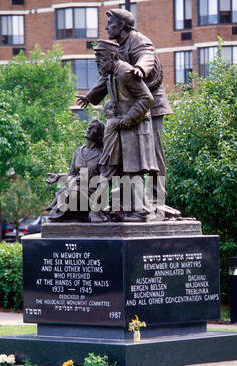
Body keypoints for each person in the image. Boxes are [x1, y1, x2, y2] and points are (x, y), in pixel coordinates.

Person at [76, 9, 179, 219]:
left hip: (150, 106)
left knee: (153, 156)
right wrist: (90, 96)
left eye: (110, 24)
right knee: (128, 159)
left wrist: (140, 68)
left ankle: (156, 201)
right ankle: (127, 201)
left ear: (122, 25)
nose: (106, 28)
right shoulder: (115, 49)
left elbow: (147, 57)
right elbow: (108, 75)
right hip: (127, 110)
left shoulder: (138, 40)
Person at [81, 39, 158, 222]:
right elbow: (101, 87)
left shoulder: (125, 72)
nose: (97, 61)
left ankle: (141, 212)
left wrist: (128, 118)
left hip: (134, 128)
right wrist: (89, 97)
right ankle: (130, 210)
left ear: (113, 56)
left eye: (100, 57)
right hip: (120, 129)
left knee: (133, 171)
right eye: (96, 57)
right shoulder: (109, 74)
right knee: (122, 171)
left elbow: (146, 98)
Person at [44, 119, 107, 223]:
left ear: (99, 135)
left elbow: (104, 181)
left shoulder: (102, 154)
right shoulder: (78, 151)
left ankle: (64, 209)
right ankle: (68, 214)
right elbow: (71, 174)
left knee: (72, 190)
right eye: (89, 126)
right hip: (75, 187)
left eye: (94, 127)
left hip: (91, 193)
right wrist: (58, 176)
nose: (89, 128)